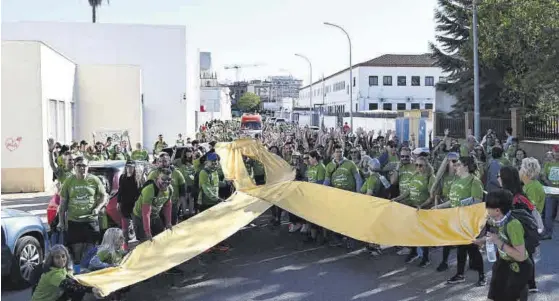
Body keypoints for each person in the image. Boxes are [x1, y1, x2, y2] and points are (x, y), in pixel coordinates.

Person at [437, 155, 486, 286]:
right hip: (457, 221)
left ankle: (482, 275)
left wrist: (461, 209)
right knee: (461, 249)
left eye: (458, 164)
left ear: (465, 166)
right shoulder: (456, 181)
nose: (455, 166)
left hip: (468, 223)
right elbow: (452, 201)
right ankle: (460, 274)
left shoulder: (474, 181)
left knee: (472, 249)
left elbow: (477, 202)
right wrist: (438, 207)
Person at [475, 189, 533, 301]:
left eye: (488, 207)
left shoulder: (513, 225)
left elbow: (520, 256)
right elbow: (497, 236)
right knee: (493, 296)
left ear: (497, 210)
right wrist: (481, 240)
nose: (486, 210)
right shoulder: (497, 220)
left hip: (519, 267)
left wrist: (498, 242)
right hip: (503, 262)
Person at [58, 157, 107, 262]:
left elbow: (104, 197)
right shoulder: (69, 181)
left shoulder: (94, 180)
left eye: (84, 165)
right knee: (77, 251)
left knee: (92, 250)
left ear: (88, 167)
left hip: (91, 221)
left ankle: (90, 273)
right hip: (74, 221)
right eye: (79, 165)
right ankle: (78, 271)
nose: (82, 168)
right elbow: (62, 205)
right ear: (74, 167)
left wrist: (98, 208)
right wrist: (61, 222)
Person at [132, 168, 173, 242]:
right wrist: (147, 232)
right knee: (145, 241)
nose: (166, 181)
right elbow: (146, 213)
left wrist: (168, 222)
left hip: (154, 215)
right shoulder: (149, 190)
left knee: (161, 236)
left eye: (169, 179)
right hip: (140, 217)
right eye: (163, 179)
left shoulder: (170, 189)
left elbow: (167, 206)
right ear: (158, 178)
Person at [117, 161, 142, 249]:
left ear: (134, 168)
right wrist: (118, 202)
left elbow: (140, 192)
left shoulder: (138, 178)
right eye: (128, 166)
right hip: (125, 205)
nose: (130, 168)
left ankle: (139, 246)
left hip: (135, 205)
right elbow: (120, 191)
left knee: (136, 226)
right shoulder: (122, 177)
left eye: (131, 166)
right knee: (125, 228)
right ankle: (126, 246)